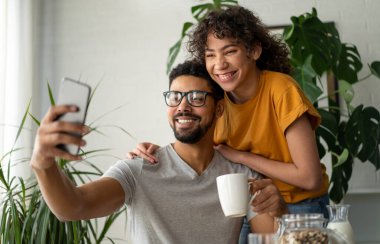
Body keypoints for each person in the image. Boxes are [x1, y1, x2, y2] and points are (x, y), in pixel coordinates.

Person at [127, 5, 330, 244]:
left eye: (229, 51)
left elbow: (309, 178)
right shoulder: (217, 102)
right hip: (248, 204)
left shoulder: (281, 90)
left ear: (253, 51)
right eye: (210, 55)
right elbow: (198, 149)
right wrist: (154, 152)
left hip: (299, 206)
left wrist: (241, 157)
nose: (219, 64)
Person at [30, 60, 286, 244]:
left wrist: (279, 211)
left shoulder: (240, 175)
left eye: (196, 97)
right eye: (175, 97)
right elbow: (72, 207)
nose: (182, 107)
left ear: (219, 109)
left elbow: (272, 240)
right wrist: (44, 164)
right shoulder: (139, 169)